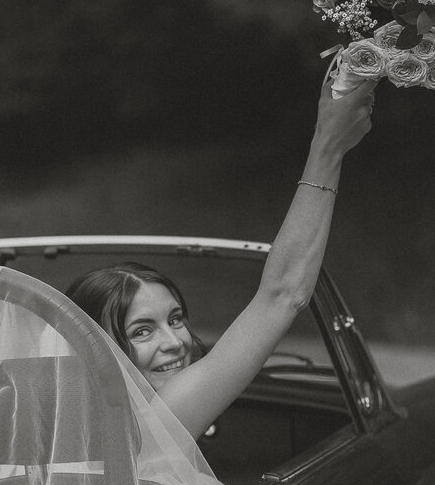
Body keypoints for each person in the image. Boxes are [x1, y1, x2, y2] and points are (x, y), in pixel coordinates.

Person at [66, 74, 375, 443]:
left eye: (176, 319)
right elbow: (283, 295)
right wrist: (328, 146)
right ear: (94, 349)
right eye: (141, 331)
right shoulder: (154, 424)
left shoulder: (62, 424)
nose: (175, 343)